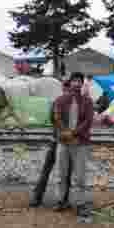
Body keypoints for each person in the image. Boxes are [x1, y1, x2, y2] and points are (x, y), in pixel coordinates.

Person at [52, 72, 95, 216]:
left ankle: (80, 203)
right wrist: (65, 132)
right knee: (61, 174)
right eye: (74, 81)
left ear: (82, 84)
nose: (77, 83)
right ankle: (61, 200)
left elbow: (88, 121)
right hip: (63, 142)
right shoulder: (60, 100)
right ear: (70, 83)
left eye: (79, 81)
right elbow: (56, 117)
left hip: (80, 142)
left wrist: (74, 133)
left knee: (80, 176)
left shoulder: (87, 101)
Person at [30, 78, 71, 207]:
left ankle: (37, 197)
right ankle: (63, 199)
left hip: (57, 140)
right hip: (67, 142)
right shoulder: (73, 103)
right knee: (66, 172)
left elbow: (52, 120)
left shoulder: (56, 102)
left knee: (47, 169)